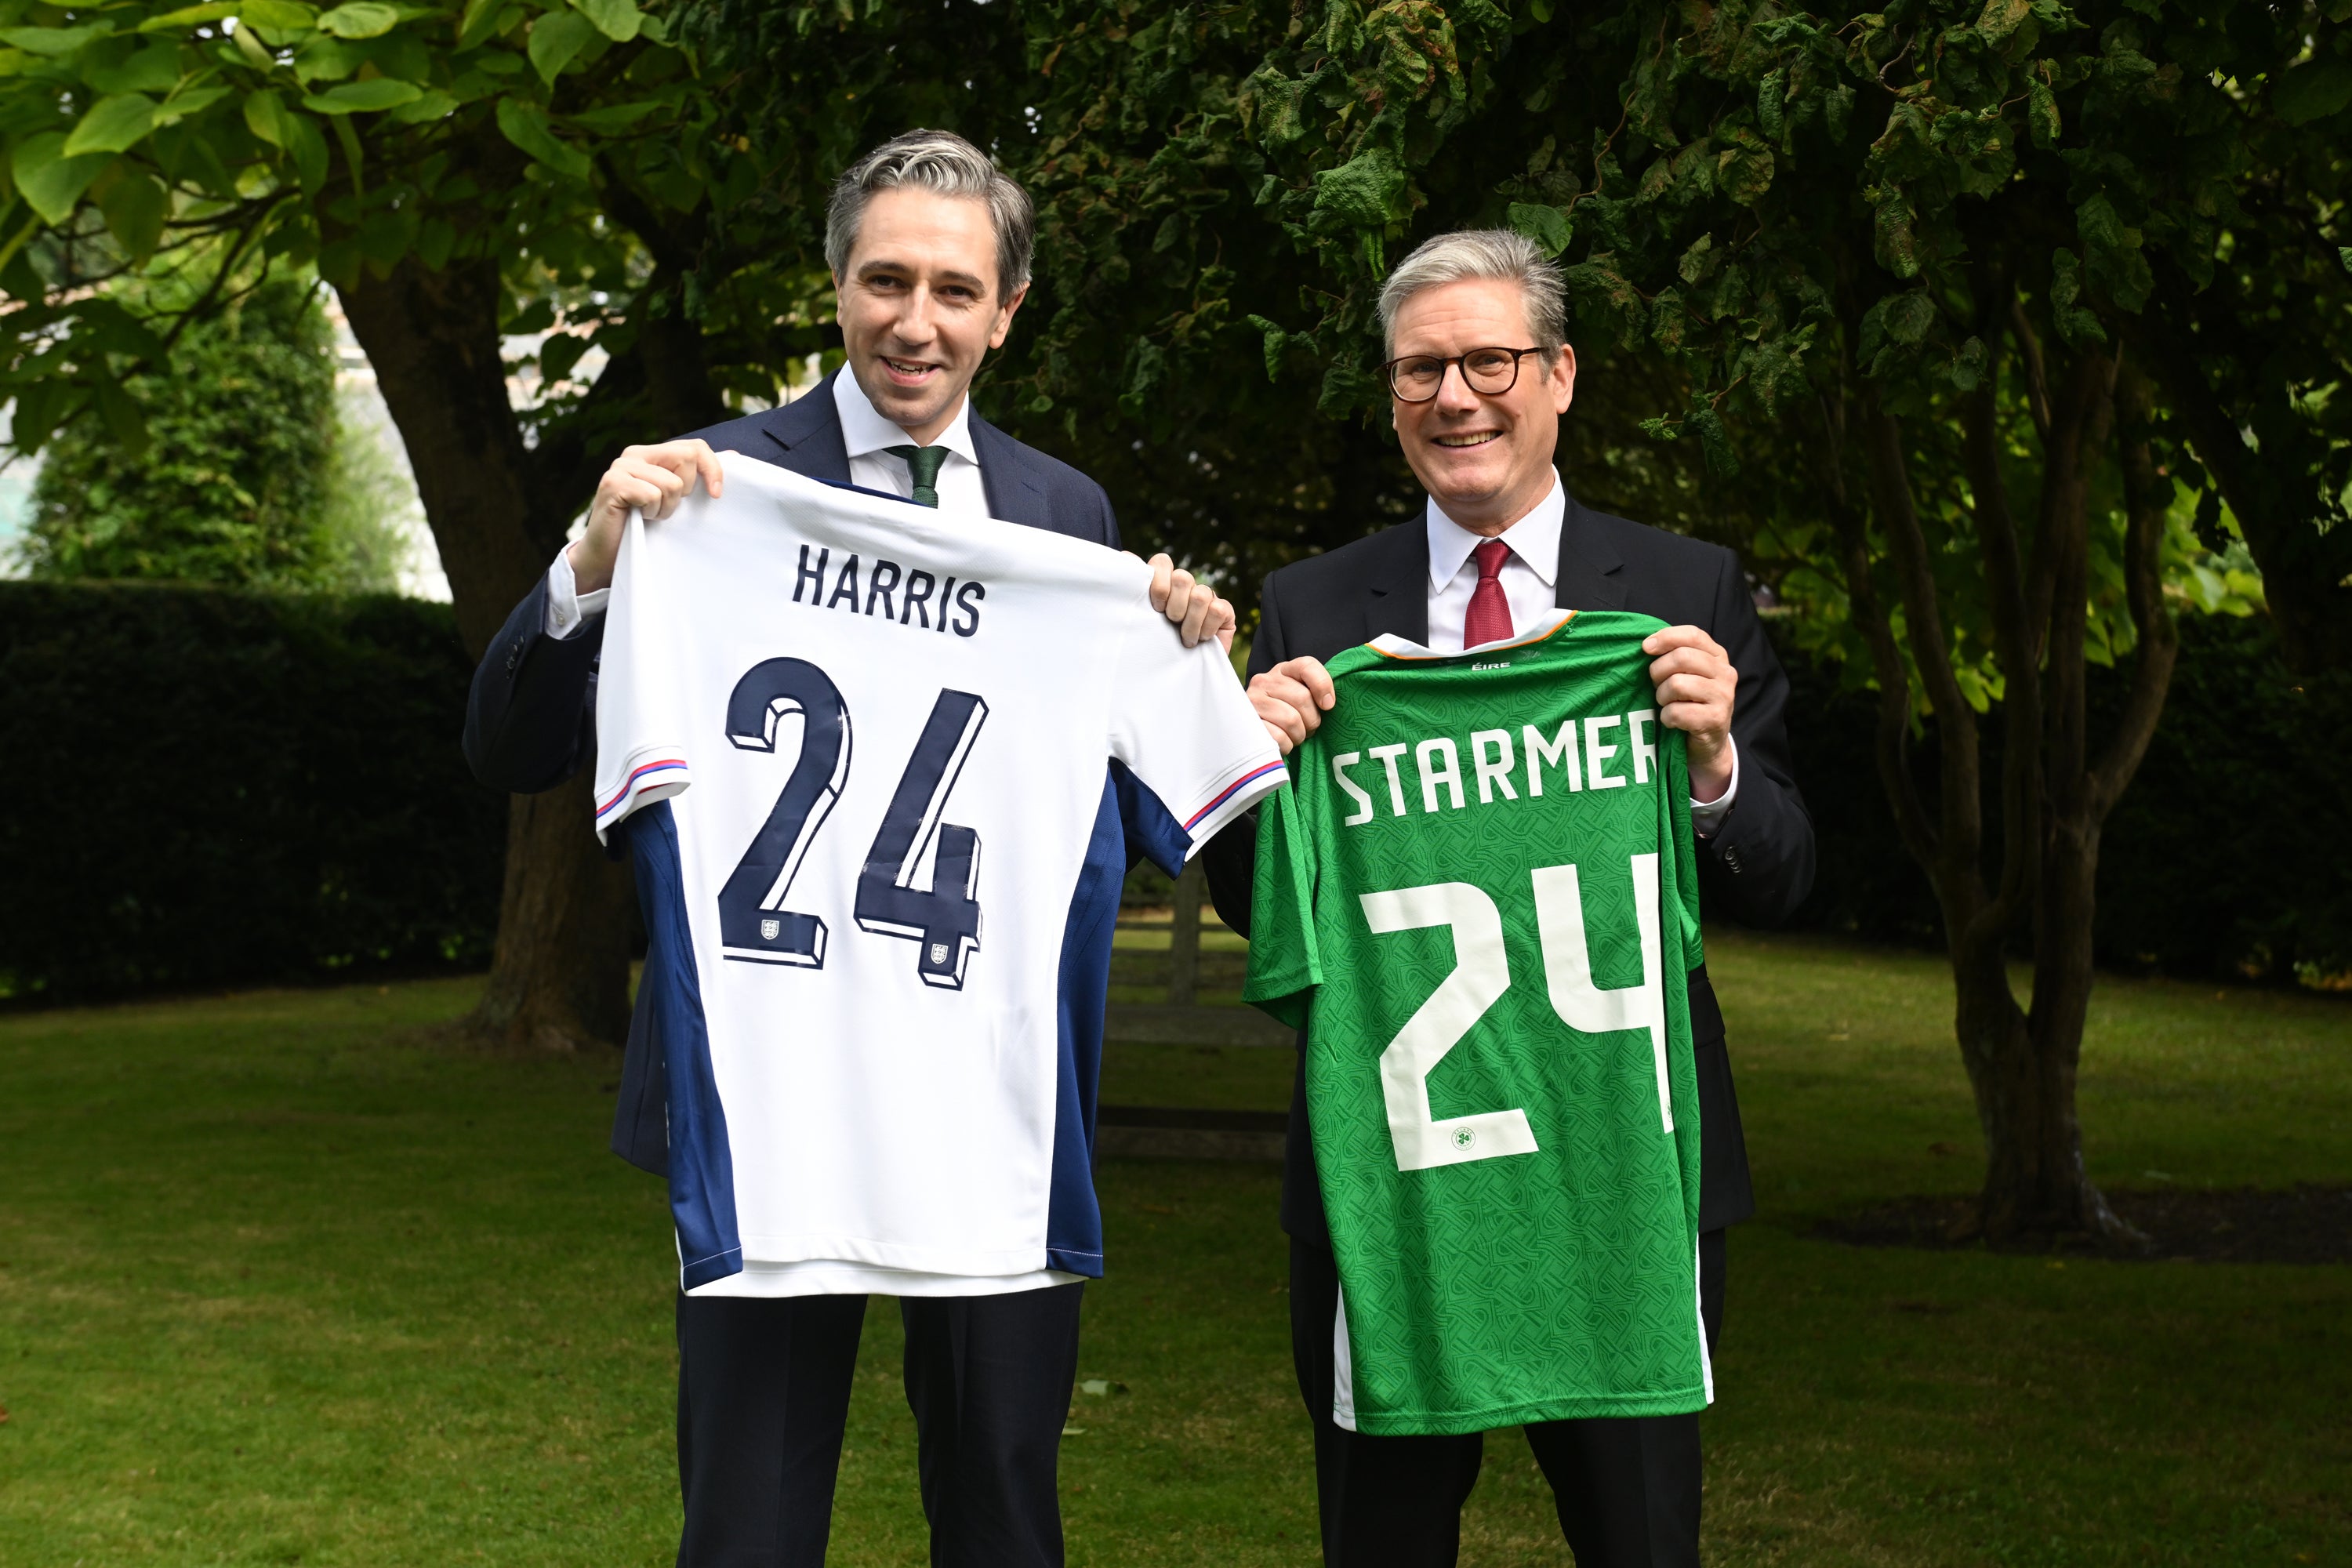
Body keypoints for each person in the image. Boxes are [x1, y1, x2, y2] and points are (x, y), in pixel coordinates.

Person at [463, 129, 1233, 1568]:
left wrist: (1188, 661)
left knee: (1003, 1504)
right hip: (771, 1088)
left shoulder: (1068, 522)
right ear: (837, 289)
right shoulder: (708, 489)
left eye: (955, 288)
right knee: (748, 1520)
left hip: (982, 1096)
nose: (916, 320)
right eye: (886, 279)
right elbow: (508, 749)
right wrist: (587, 563)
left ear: (1007, 312)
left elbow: (1093, 814)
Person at [1201, 228, 1816, 1567]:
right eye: (1422, 369)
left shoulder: (1677, 593)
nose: (1455, 396)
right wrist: (1247, 773)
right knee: (1384, 1542)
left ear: (1560, 375)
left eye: (1489, 359)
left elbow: (1782, 872)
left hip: (1629, 1174)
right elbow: (1267, 914)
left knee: (1640, 1538)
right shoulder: (1314, 605)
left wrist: (1713, 762)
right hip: (1397, 1177)